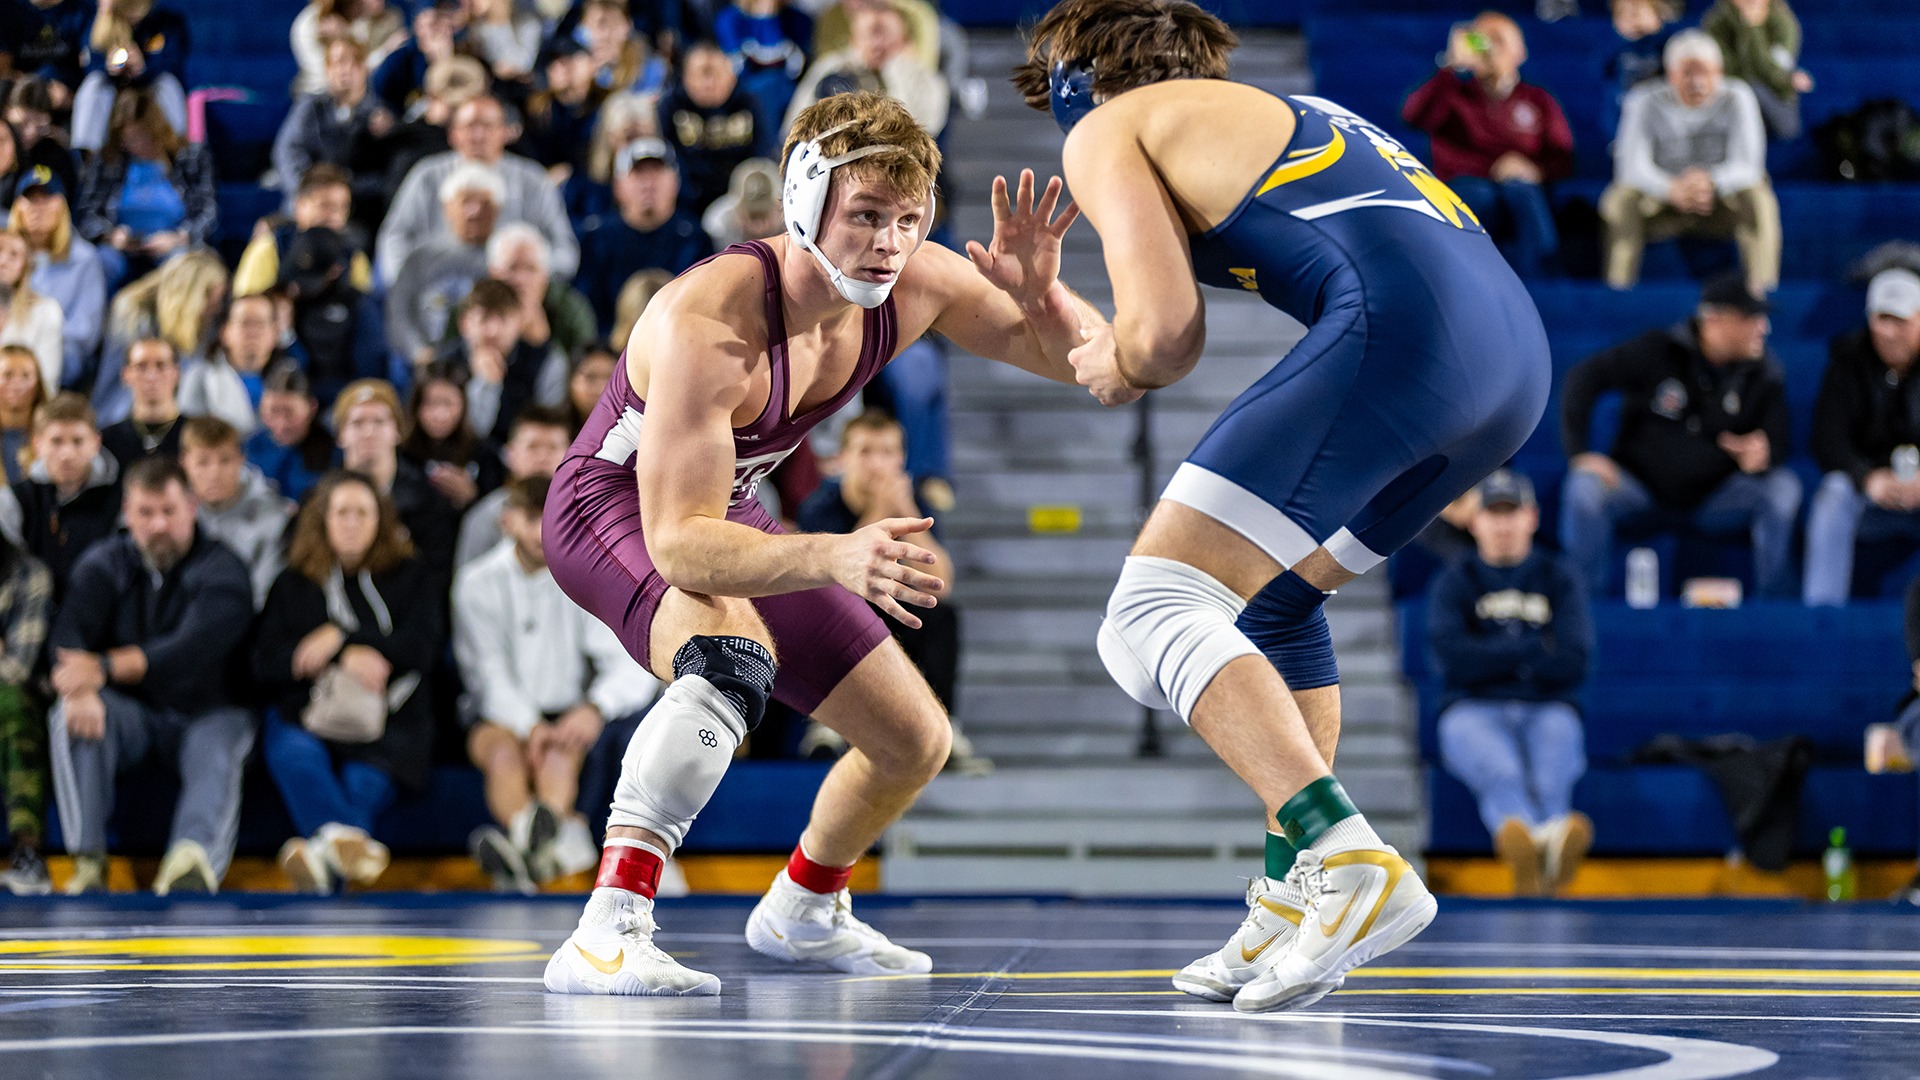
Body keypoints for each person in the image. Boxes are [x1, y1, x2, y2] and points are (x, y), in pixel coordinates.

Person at [1011, 0, 1549, 1012]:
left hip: (1412, 338)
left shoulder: (1108, 125)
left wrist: (1118, 362)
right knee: (1274, 610)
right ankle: (1295, 901)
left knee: (1149, 616)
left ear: (1081, 74)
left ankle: (1349, 857)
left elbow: (1166, 336)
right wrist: (1100, 330)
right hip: (1511, 364)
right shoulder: (1283, 107)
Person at [540, 91, 1111, 996]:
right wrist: (833, 554)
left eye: (908, 219)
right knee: (730, 660)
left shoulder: (913, 284)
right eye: (867, 216)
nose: (889, 241)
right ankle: (608, 927)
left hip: (720, 507)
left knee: (913, 738)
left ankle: (804, 909)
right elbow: (682, 546)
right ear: (806, 205)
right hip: (613, 508)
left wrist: (1043, 294)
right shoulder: (709, 323)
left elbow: (1102, 367)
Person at [46, 456, 255, 895]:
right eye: (146, 512)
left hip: (210, 711)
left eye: (169, 511)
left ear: (191, 509)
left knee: (220, 745)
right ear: (127, 514)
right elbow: (67, 635)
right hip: (134, 716)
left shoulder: (224, 567)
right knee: (71, 714)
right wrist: (79, 688)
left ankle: (190, 863)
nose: (158, 524)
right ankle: (88, 863)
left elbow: (190, 649)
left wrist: (101, 668)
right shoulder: (105, 562)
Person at [458, 476, 661, 891]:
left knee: (557, 756)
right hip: (497, 715)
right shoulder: (476, 583)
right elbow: (487, 674)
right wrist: (529, 725)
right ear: (507, 521)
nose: (539, 531)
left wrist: (594, 707)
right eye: (530, 518)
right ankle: (540, 850)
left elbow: (629, 662)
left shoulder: (583, 577)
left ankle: (523, 854)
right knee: (502, 755)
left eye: (547, 519)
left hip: (566, 712)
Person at [254, 470, 441, 894]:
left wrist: (345, 639)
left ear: (381, 520)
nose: (352, 522)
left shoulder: (412, 575)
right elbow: (266, 663)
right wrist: (325, 657)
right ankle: (347, 848)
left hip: (392, 719)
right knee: (294, 752)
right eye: (342, 512)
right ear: (323, 520)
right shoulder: (293, 582)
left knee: (364, 781)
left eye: (363, 512)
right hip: (308, 713)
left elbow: (423, 649)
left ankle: (321, 861)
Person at [1559, 273, 1800, 599]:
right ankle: (1583, 608)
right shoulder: (1658, 349)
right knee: (1584, 487)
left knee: (1783, 489)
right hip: (1638, 488)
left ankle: (1776, 612)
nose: (1763, 328)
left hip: (1715, 497)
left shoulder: (1765, 372)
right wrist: (1579, 453)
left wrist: (1763, 452)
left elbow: (1778, 440)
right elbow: (1583, 377)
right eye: (1750, 317)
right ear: (1713, 320)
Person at [1426, 469, 1593, 898]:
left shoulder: (1559, 576)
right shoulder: (1455, 581)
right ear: (1474, 520)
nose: (1503, 524)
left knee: (1554, 763)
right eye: (1492, 513)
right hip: (1471, 707)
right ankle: (1548, 843)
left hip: (1549, 706)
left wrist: (1490, 656)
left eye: (1512, 513)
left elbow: (1575, 660)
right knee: (1500, 768)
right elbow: (1451, 660)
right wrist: (1534, 651)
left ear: (1532, 517)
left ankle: (1528, 846)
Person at [795, 410, 983, 769]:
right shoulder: (821, 506)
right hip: (840, 617)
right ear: (843, 459)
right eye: (866, 452)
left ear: (901, 459)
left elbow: (942, 581)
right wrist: (882, 509)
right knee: (836, 612)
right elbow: (841, 578)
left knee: (942, 617)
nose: (877, 464)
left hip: (895, 614)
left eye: (887, 452)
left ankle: (943, 726)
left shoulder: (914, 503)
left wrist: (908, 515)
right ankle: (828, 726)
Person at [1600, 30, 1778, 293]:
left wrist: (1712, 181)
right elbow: (1630, 168)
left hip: (1718, 201)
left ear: (1719, 72)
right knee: (1617, 200)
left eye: (1704, 72)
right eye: (1687, 72)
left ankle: (1761, 293)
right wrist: (1671, 189)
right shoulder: (1642, 100)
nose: (1697, 82)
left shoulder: (1739, 96)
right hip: (1662, 203)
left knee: (1759, 197)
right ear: (1670, 74)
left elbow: (1749, 164)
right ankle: (1618, 292)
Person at [1401, 13, 1573, 280]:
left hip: (1520, 189)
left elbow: (1563, 157)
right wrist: (1450, 65)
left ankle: (1543, 282)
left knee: (1522, 192)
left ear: (1520, 51)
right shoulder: (1451, 94)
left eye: (1499, 40)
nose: (1490, 48)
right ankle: (1463, 281)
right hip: (1466, 186)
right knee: (1479, 196)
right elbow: (1413, 117)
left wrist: (1534, 170)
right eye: (1481, 40)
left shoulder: (1538, 100)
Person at [375, 95, 580, 290]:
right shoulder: (426, 176)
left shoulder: (533, 181)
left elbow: (565, 253)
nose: (478, 136)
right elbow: (394, 237)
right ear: (452, 134)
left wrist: (525, 275)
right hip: (436, 293)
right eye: (470, 127)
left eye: (488, 126)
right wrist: (406, 282)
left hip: (511, 298)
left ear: (505, 132)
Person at [1804, 269, 1920, 606]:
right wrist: (1866, 478)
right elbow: (1828, 440)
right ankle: (1821, 619)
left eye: (1900, 321)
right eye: (1881, 320)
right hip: (1870, 492)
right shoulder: (1847, 363)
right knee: (1834, 494)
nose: (1888, 333)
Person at [74, 88, 216, 287]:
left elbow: (207, 212)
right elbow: (87, 214)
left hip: (174, 243)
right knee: (98, 262)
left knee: (182, 264)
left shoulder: (190, 156)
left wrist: (179, 238)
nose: (136, 144)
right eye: (128, 139)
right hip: (122, 247)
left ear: (158, 130)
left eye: (143, 136)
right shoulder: (108, 160)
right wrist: (110, 235)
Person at [577, 138, 714, 330]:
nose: (648, 184)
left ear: (675, 181)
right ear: (618, 185)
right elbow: (587, 309)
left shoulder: (696, 239)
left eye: (657, 173)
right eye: (639, 174)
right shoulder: (596, 239)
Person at [334, 378, 460, 585]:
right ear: (340, 434)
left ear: (398, 431)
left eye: (379, 422)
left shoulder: (429, 502)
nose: (369, 432)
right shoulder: (319, 501)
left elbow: (436, 576)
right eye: (357, 423)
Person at [384, 162, 503, 374]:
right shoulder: (420, 257)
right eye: (466, 201)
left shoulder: (506, 257)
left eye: (484, 203)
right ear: (447, 208)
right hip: (422, 362)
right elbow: (398, 309)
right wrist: (418, 352)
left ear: (497, 210)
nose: (474, 212)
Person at [0, 392, 121, 599]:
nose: (67, 454)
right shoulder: (13, 501)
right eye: (56, 441)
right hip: (31, 608)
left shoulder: (121, 500)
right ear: (37, 444)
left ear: (95, 443)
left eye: (77, 441)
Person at [91, 248, 227, 425]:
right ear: (192, 295)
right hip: (122, 416)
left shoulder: (201, 326)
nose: (215, 309)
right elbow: (123, 390)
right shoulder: (135, 316)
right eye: (211, 300)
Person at [786, 0, 948, 141]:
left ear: (903, 38)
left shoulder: (921, 76)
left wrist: (895, 69)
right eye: (871, 32)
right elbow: (794, 125)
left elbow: (924, 128)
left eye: (884, 32)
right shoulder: (833, 67)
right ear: (854, 39)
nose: (877, 42)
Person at [181, 416, 295, 609]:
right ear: (184, 463)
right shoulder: (168, 509)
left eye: (225, 460)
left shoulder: (274, 515)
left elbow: (262, 596)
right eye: (203, 462)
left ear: (241, 460)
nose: (214, 473)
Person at [10, 167, 108, 391]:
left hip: (61, 353)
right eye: (31, 199)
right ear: (17, 208)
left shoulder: (85, 259)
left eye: (47, 198)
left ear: (62, 207)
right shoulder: (4, 256)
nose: (39, 207)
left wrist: (36, 343)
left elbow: (84, 336)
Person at [273, 36, 395, 214]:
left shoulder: (382, 116)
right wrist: (312, 192)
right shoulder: (309, 107)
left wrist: (342, 194)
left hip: (360, 207)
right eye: (338, 62)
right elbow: (287, 151)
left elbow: (385, 176)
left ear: (365, 68)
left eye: (354, 62)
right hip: (310, 201)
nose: (345, 70)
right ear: (327, 69)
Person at [441, 278, 568, 445]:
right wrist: (485, 382)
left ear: (519, 322)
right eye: (484, 318)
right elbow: (469, 436)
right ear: (464, 323)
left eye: (503, 318)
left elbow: (550, 427)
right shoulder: (443, 364)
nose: (493, 331)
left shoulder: (548, 361)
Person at [657, 41, 767, 215]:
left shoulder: (750, 104)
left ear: (732, 75)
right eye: (701, 75)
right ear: (685, 77)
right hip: (686, 201)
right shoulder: (670, 106)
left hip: (740, 201)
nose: (709, 84)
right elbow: (667, 160)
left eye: (716, 74)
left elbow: (762, 156)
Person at [0, 533, 53, 895]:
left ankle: (27, 850)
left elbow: (16, 668)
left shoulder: (27, 573)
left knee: (15, 706)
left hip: (11, 696)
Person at [456, 403, 571, 566]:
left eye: (553, 447)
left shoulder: (589, 514)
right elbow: (468, 583)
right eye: (533, 447)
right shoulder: (485, 517)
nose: (543, 457)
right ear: (510, 454)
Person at [70, 0, 191, 153]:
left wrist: (143, 67)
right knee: (94, 85)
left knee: (167, 84)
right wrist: (108, 67)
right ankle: (86, 157)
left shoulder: (167, 21)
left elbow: (172, 63)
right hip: (112, 85)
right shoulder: (98, 18)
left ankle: (181, 154)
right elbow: (89, 62)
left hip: (149, 84)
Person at [487, 223, 598, 379]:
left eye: (531, 269)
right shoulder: (474, 305)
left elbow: (588, 373)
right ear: (493, 273)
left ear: (545, 276)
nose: (521, 280)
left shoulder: (572, 308)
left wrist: (543, 345)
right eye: (512, 268)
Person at [178, 293, 284, 437]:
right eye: (245, 323)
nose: (253, 332)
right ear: (225, 332)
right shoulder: (200, 377)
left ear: (275, 333)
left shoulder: (291, 375)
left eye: (261, 323)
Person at [1702, 0, 1810, 141]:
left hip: (1775, 96)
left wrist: (1753, 29)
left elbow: (1773, 73)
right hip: (1733, 96)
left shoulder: (1783, 23)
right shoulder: (1716, 23)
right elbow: (1726, 71)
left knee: (1754, 88)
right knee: (1743, 88)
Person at [400, 359, 498, 513]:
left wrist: (471, 496)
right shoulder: (401, 454)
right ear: (415, 406)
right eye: (430, 403)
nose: (440, 415)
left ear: (464, 405)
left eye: (448, 403)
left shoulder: (485, 454)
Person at [713, 0, 813, 144]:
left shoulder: (800, 19)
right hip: (743, 95)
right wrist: (766, 16)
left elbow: (796, 70)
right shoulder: (729, 19)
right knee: (767, 87)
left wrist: (769, 15)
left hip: (789, 93)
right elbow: (740, 70)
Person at [247, 361, 333, 503]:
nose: (281, 425)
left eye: (290, 413)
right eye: (273, 412)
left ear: (311, 408)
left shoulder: (333, 452)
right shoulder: (250, 449)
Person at [521, 36, 607, 178]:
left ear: (592, 65)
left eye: (569, 59)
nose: (560, 67)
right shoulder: (538, 110)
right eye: (554, 62)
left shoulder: (607, 104)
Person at [290, 0, 407, 98]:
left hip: (358, 96)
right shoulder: (307, 26)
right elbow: (329, 80)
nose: (358, 8)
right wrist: (386, 50)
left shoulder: (357, 21)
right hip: (318, 95)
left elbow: (363, 65)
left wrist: (346, 36)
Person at [97, 335, 181, 467]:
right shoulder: (107, 441)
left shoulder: (195, 437)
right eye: (141, 366)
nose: (151, 376)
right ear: (126, 375)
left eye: (161, 365)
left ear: (176, 373)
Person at [1602, 0, 1678, 138]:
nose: (1633, 20)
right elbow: (1600, 69)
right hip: (1624, 118)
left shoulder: (1666, 44)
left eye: (1640, 13)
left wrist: (1653, 34)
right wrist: (1624, 40)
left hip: (1661, 118)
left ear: (1658, 16)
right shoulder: (1615, 49)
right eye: (1624, 15)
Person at [0, 229, 64, 391]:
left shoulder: (46, 312)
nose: (2, 261)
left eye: (14, 255)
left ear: (25, 266)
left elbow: (47, 381)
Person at [702, 157, 783, 249]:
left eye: (763, 216)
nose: (758, 227)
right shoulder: (718, 229)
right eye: (752, 216)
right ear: (734, 211)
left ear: (780, 210)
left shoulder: (793, 234)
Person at [0, 346, 46, 487]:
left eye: (26, 376)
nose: (17, 384)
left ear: (38, 383)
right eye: (8, 375)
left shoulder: (52, 434)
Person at [564, 342, 618, 433]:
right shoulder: (554, 429)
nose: (601, 389)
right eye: (591, 377)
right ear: (571, 380)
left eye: (610, 378)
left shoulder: (636, 432)